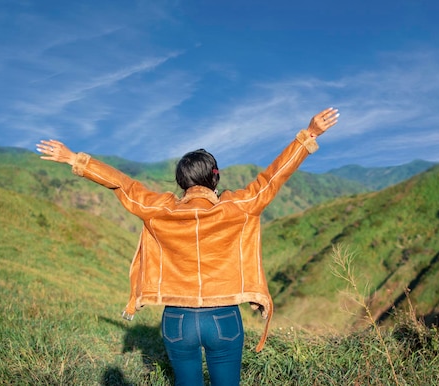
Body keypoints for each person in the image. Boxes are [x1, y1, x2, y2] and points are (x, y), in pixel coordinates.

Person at [36, 107, 339, 385]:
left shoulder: (160, 209)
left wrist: (75, 159)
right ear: (215, 177)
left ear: (181, 182)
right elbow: (272, 178)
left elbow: (123, 185)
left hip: (177, 319)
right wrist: (308, 135)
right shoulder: (239, 206)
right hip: (223, 317)